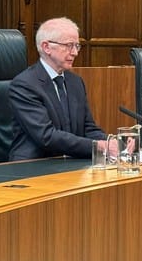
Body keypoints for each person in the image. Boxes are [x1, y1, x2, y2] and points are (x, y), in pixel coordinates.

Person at [8, 17, 111, 160]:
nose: (75, 52)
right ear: (46, 47)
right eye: (69, 45)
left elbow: (88, 129)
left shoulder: (75, 82)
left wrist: (112, 142)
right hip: (34, 165)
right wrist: (98, 146)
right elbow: (46, 136)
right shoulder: (24, 85)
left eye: (77, 46)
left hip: (70, 162)